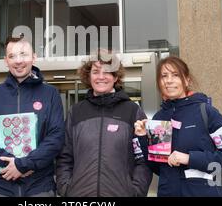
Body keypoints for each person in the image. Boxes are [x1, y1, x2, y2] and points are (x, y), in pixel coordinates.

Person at [134, 56, 222, 197]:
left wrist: (189, 158)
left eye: (175, 75)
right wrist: (144, 138)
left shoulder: (206, 112)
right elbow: (159, 168)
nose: (168, 80)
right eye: (164, 76)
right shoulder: (159, 118)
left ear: (187, 80)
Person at [0, 36, 65, 197]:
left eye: (23, 54)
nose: (18, 61)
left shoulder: (50, 94)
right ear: (5, 61)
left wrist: (23, 164)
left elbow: (56, 138)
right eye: (12, 56)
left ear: (34, 57)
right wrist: (9, 163)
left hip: (39, 187)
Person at [56, 50, 152, 197]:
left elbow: (143, 158)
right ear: (89, 76)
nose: (101, 77)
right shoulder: (75, 112)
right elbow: (65, 157)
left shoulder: (132, 111)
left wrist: (135, 192)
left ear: (115, 77)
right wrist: (66, 189)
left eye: (107, 72)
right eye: (95, 72)